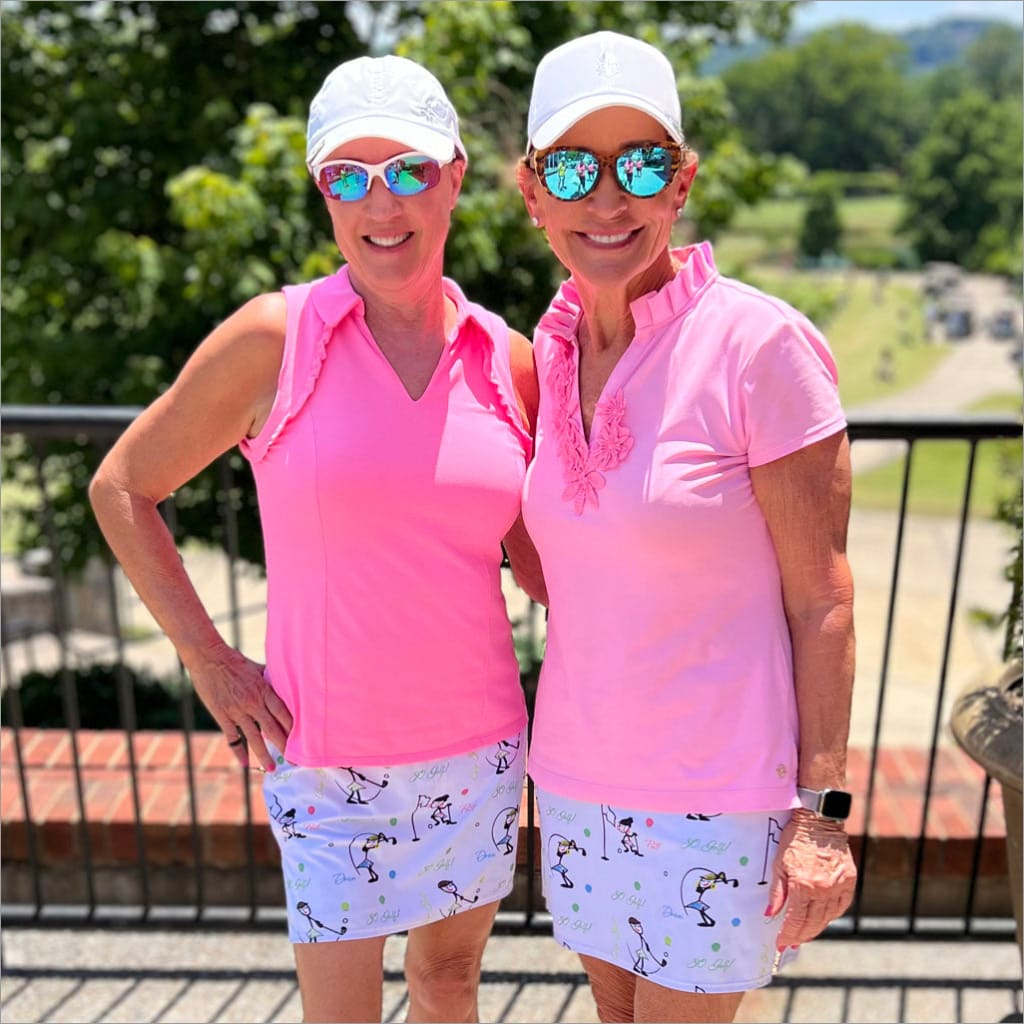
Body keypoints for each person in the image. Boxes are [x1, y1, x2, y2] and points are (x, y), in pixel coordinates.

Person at [90, 54, 544, 1024]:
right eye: (349, 175)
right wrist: (209, 662)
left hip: (478, 748)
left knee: (449, 984)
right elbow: (123, 485)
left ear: (455, 175)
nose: (381, 203)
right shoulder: (274, 338)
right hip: (325, 757)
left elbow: (553, 564)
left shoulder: (505, 361)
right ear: (321, 192)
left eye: (408, 171)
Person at [515, 31, 857, 1023]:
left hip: (721, 801)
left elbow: (823, 595)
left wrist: (821, 818)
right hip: (579, 779)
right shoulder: (550, 346)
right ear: (534, 192)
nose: (607, 200)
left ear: (682, 181)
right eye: (575, 168)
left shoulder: (761, 345)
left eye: (642, 164)